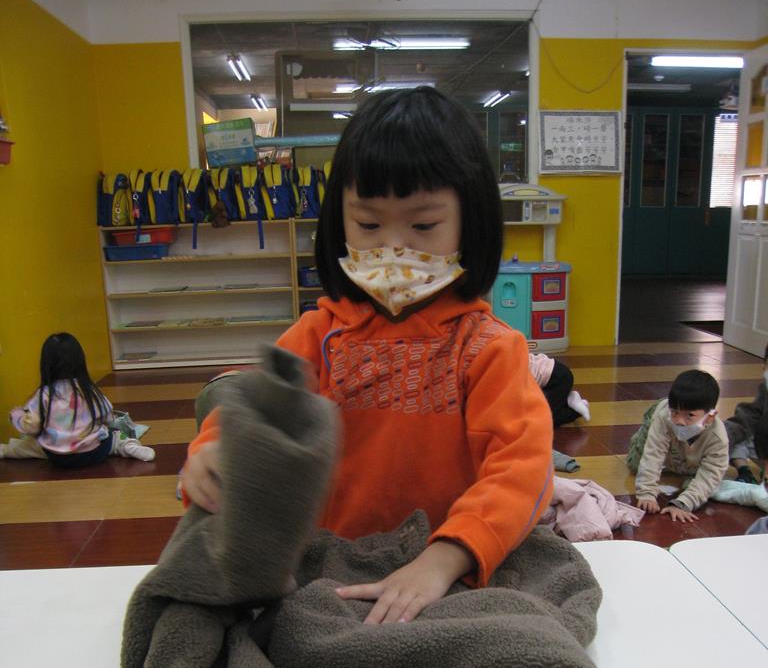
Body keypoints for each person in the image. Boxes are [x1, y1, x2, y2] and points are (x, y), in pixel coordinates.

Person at [181, 86, 553, 624]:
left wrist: (445, 559)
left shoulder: (488, 348)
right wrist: (211, 451)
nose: (392, 248)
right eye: (369, 225)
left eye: (423, 226)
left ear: (470, 220)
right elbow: (254, 410)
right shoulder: (319, 334)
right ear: (340, 220)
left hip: (439, 573)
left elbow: (524, 468)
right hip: (330, 569)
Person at [2, 332, 155, 467]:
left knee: (31, 445)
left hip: (59, 458)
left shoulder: (43, 394)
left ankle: (6, 450)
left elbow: (31, 426)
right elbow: (107, 415)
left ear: (45, 363)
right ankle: (128, 446)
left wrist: (17, 416)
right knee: (115, 438)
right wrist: (106, 424)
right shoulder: (87, 389)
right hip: (94, 452)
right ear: (80, 361)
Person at [626, 369, 728, 523]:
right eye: (675, 412)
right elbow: (653, 454)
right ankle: (652, 418)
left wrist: (683, 503)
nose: (679, 421)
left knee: (697, 483)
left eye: (690, 415)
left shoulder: (718, 438)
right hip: (660, 426)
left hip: (687, 455)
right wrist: (646, 493)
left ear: (710, 417)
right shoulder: (664, 417)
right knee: (635, 464)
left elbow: (710, 474)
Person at [724, 342, 768, 484]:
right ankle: (745, 473)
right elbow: (748, 416)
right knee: (737, 435)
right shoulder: (765, 389)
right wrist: (723, 434)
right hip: (764, 451)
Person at [528, 351, 590, 426]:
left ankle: (575, 411)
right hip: (553, 376)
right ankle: (567, 400)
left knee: (545, 421)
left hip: (559, 379)